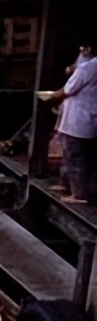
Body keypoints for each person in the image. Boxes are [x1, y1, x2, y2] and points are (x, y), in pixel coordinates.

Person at [46, 42, 97, 206]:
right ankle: (70, 186)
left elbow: (68, 89)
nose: (82, 50)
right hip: (86, 117)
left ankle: (79, 194)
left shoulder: (88, 68)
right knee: (72, 156)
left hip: (78, 119)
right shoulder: (89, 64)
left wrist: (51, 97)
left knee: (76, 157)